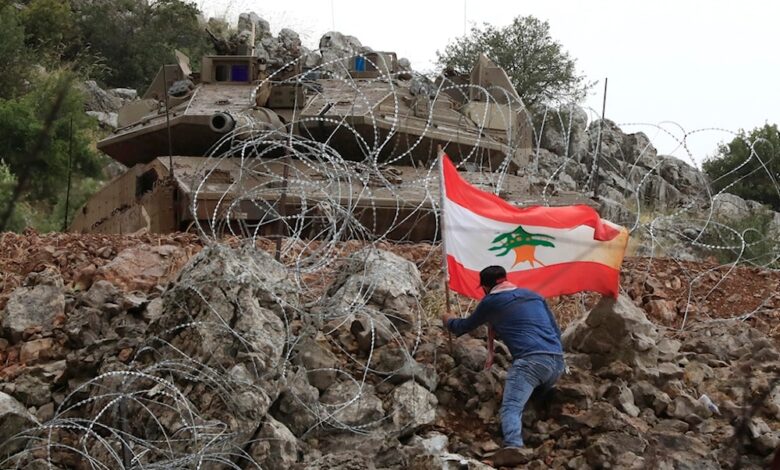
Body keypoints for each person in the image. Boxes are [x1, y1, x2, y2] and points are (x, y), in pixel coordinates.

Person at [441, 265, 565, 452]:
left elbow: (463, 327)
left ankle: (514, 446)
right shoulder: (534, 296)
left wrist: (448, 320)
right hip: (557, 363)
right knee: (533, 393)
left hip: (531, 363)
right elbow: (556, 332)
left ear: (485, 287)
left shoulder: (491, 301)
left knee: (511, 407)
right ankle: (540, 422)